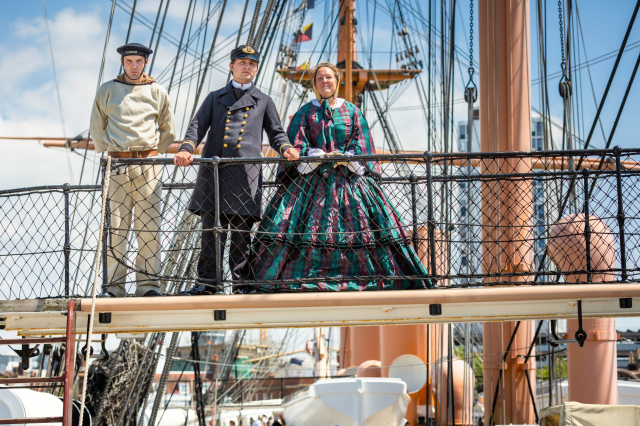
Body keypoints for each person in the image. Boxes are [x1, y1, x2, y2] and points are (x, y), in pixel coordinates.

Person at [251, 62, 433, 292]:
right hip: (311, 184)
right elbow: (295, 147)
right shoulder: (304, 113)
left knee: (369, 228)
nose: (324, 82)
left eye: (329, 78)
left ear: (336, 81)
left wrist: (346, 157)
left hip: (350, 182)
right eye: (319, 79)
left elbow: (363, 147)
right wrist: (315, 156)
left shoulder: (353, 112)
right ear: (314, 84)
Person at [174, 44, 299, 296]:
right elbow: (196, 128)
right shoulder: (215, 97)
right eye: (242, 63)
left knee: (242, 233)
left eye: (252, 64)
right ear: (232, 66)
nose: (247, 67)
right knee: (211, 231)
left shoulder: (264, 101)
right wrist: (187, 149)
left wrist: (286, 148)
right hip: (215, 173)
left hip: (245, 174)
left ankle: (241, 284)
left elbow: (276, 133)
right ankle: (207, 284)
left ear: (256, 69)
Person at [90, 42, 176, 297]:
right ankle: (114, 288)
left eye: (138, 61)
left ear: (145, 62)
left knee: (149, 230)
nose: (134, 66)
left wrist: (151, 151)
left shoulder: (157, 92)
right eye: (129, 62)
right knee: (116, 229)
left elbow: (168, 129)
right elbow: (97, 125)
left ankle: (148, 287)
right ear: (123, 63)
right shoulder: (107, 90)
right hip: (117, 165)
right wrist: (111, 150)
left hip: (148, 165)